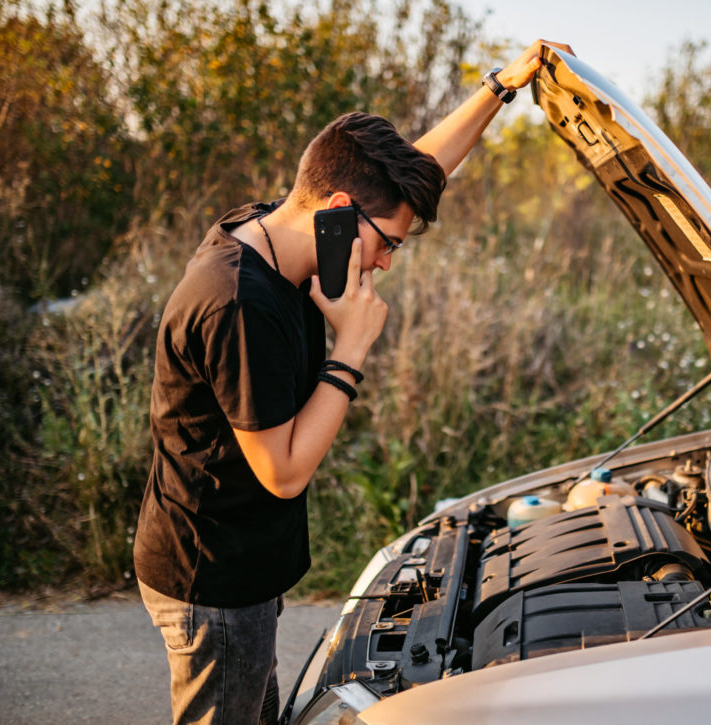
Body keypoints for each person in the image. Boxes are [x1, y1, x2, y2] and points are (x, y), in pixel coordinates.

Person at [132, 39, 571, 725]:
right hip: (213, 578)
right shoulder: (238, 303)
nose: (388, 263)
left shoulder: (282, 231)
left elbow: (417, 174)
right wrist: (352, 348)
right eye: (389, 243)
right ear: (338, 208)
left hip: (243, 559)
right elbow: (282, 471)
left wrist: (499, 89)